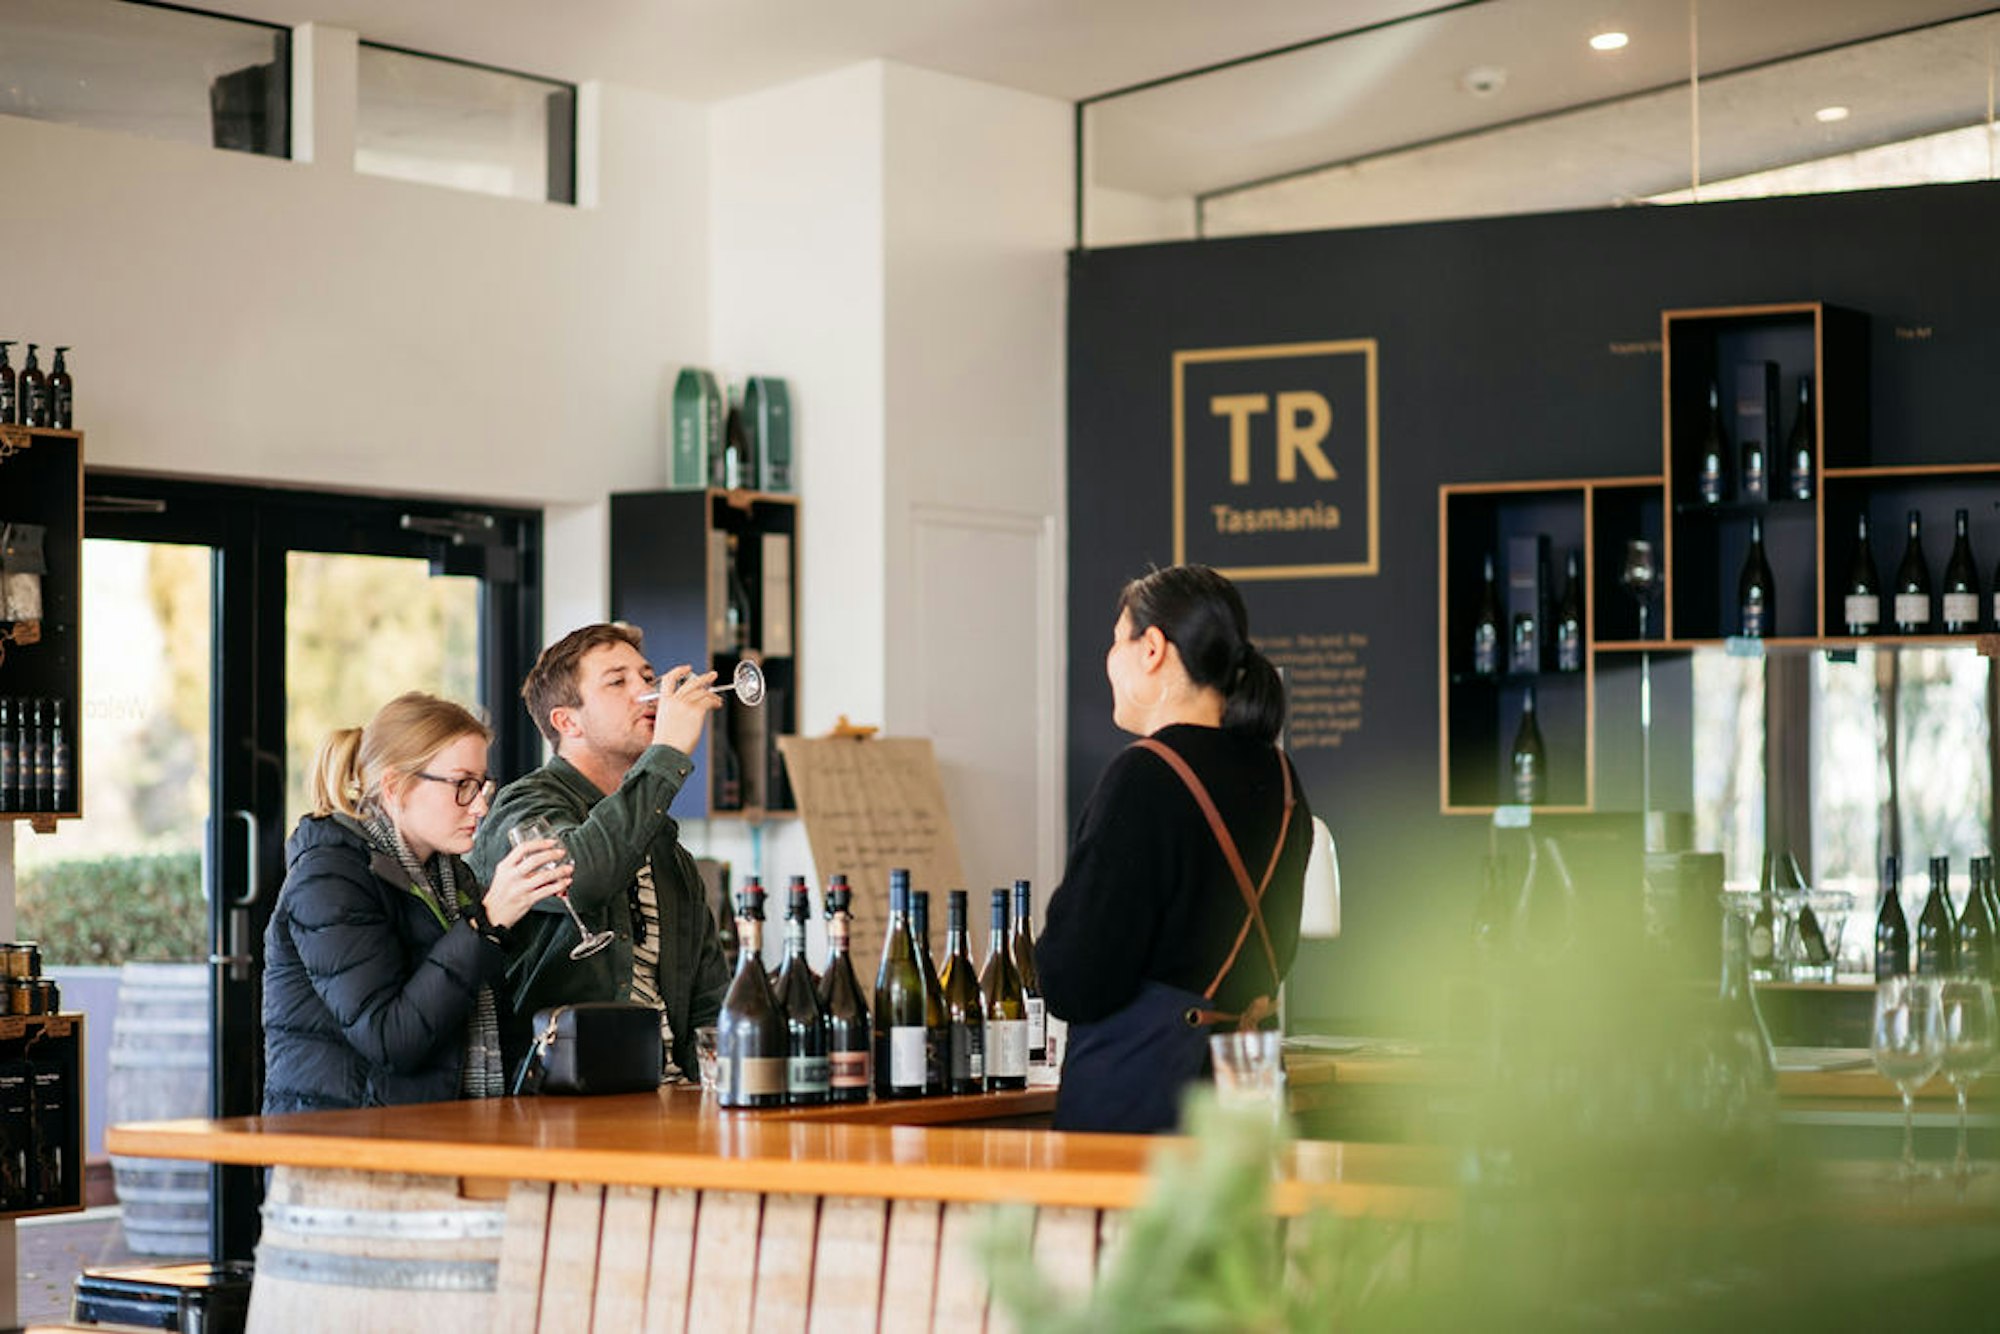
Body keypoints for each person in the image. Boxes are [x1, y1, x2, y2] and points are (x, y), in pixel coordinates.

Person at [1037, 564, 1313, 1133]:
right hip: (1249, 1094)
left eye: (1118, 641)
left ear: (1153, 649)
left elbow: (1076, 978)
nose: (1109, 660)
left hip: (1149, 1102)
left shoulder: (1144, 776)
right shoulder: (1282, 780)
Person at [263, 692, 572, 1113]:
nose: (481, 805)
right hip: (340, 1151)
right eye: (463, 785)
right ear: (395, 787)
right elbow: (391, 1040)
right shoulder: (329, 877)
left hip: (436, 1132)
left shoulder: (449, 878)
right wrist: (487, 924)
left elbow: (483, 1014)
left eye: (482, 785)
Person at [468, 622, 732, 1083]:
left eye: (647, 678)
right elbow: (579, 875)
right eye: (618, 681)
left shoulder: (667, 847)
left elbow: (710, 999)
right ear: (567, 722)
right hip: (562, 1108)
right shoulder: (523, 807)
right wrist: (668, 752)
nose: (647, 693)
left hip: (671, 1101)